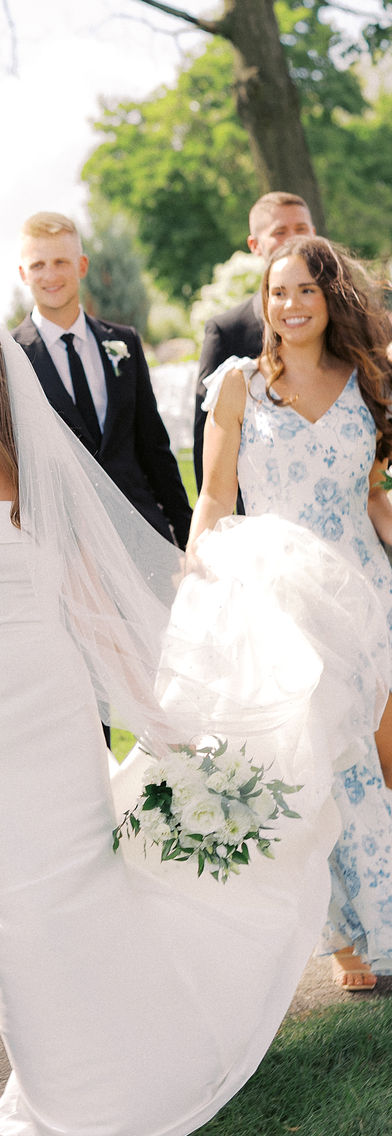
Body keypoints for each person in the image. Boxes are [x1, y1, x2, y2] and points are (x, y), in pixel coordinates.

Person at [0, 314, 387, 1136]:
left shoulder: (42, 480)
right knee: (13, 916)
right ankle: (66, 1130)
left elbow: (90, 612)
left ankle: (90, 1079)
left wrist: (159, 721)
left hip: (56, 710)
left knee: (80, 901)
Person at [191, 236, 392, 991]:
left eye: (306, 289)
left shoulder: (370, 381)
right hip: (281, 600)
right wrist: (197, 575)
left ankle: (387, 923)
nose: (291, 304)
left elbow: (373, 496)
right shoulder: (239, 385)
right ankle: (347, 940)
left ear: (330, 297)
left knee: (378, 765)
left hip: (366, 594)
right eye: (278, 291)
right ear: (263, 302)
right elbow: (214, 495)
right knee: (322, 771)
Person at [13, 211, 191, 548]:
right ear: (23, 273)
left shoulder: (124, 344)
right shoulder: (8, 357)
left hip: (142, 531)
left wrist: (185, 532)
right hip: (64, 543)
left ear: (82, 266)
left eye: (61, 262)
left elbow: (154, 446)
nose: (50, 274)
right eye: (38, 265)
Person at [192, 191, 316, 490]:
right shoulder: (226, 331)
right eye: (280, 232)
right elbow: (206, 442)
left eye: (301, 229)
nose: (293, 239)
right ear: (255, 246)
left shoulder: (345, 321)